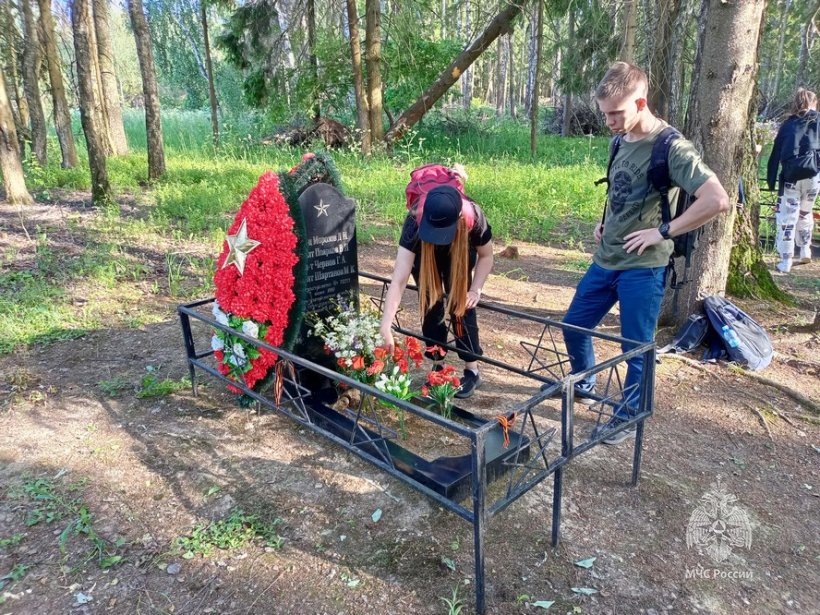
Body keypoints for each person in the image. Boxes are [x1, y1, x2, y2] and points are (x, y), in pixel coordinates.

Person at [560, 62, 729, 445]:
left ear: (641, 101)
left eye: (616, 113)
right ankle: (585, 378)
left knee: (635, 349)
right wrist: (607, 222)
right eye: (605, 114)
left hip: (644, 268)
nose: (609, 122)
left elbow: (717, 200)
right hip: (606, 259)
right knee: (573, 325)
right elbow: (621, 190)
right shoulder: (618, 140)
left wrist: (663, 231)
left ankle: (629, 413)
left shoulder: (672, 147)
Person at [379, 183, 494, 399]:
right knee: (430, 301)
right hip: (425, 253)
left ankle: (472, 370)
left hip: (459, 250)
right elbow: (399, 279)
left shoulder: (474, 218)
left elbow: (487, 256)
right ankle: (437, 366)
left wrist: (476, 289)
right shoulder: (415, 222)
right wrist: (386, 323)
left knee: (461, 303)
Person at [766, 88, 820, 273]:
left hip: (791, 177)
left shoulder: (788, 124)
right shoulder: (818, 121)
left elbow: (776, 151)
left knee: (787, 217)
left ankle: (786, 259)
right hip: (813, 175)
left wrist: (771, 179)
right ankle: (805, 249)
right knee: (805, 213)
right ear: (814, 103)